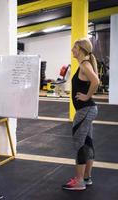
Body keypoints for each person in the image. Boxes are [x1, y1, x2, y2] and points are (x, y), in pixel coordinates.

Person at [62, 38, 99, 190]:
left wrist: (86, 96)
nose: (72, 50)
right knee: (87, 143)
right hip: (88, 110)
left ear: (81, 49)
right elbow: (95, 81)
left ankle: (79, 181)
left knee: (79, 145)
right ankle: (86, 177)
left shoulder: (84, 65)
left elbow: (95, 81)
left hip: (85, 110)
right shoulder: (85, 64)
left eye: (74, 47)